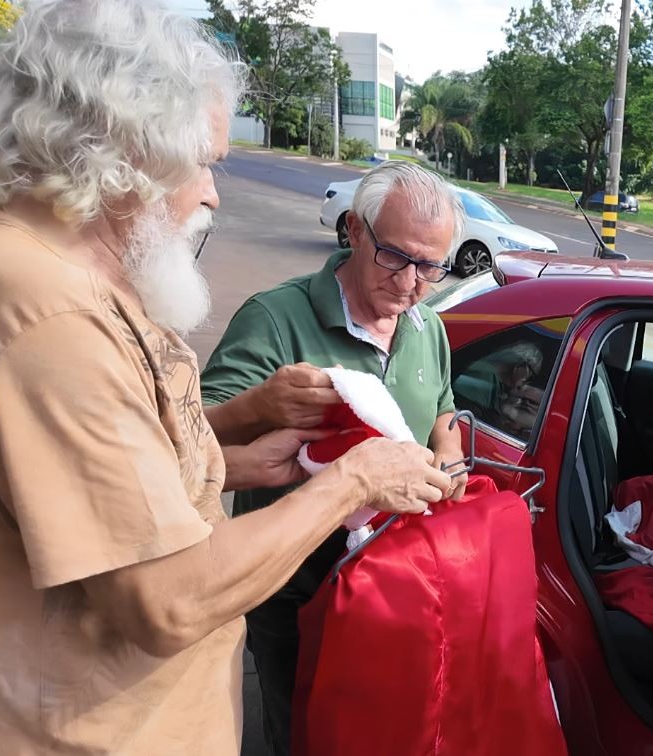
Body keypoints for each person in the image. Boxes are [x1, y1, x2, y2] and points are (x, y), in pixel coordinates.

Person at [0, 1, 449, 753]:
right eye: (203, 161)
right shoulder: (43, 316)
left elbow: (65, 495)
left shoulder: (32, 276)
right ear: (126, 147)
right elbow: (164, 601)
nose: (211, 192)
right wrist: (354, 482)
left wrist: (221, 459)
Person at [200, 160, 469, 754]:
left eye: (431, 267)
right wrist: (263, 404)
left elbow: (443, 406)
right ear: (354, 230)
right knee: (302, 728)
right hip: (293, 580)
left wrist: (448, 451)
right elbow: (190, 437)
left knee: (377, 726)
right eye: (395, 257)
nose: (409, 284)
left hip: (394, 581)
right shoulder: (275, 318)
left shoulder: (426, 327)